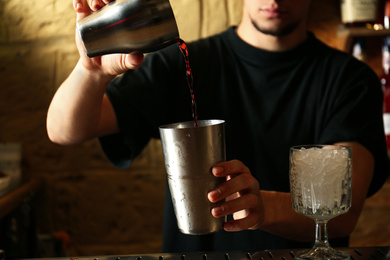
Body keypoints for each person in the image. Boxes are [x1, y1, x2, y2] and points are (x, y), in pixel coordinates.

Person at [47, 0, 389, 253]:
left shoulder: (350, 80)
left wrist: (263, 207)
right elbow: (64, 130)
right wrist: (91, 73)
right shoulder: (181, 64)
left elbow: (339, 212)